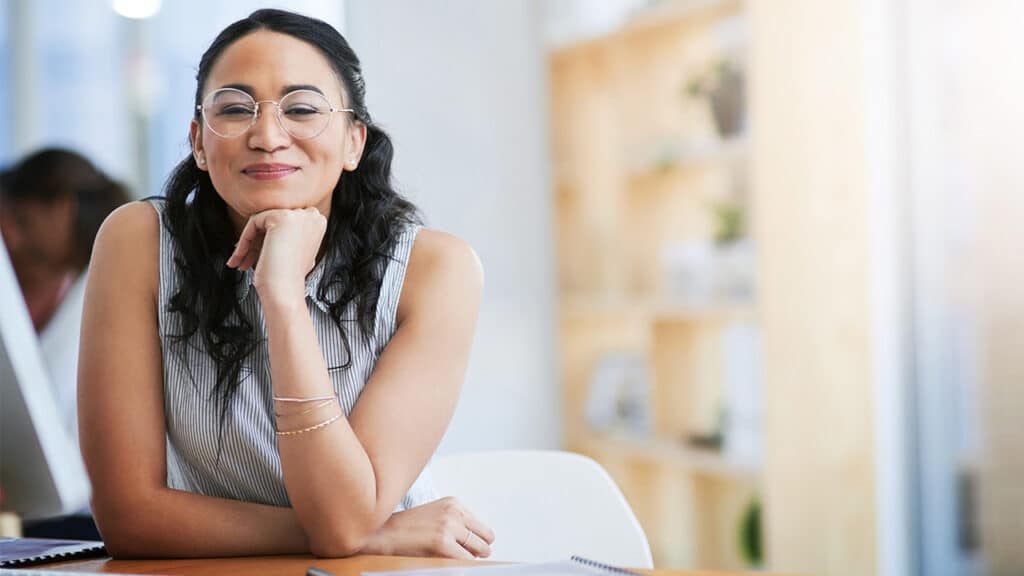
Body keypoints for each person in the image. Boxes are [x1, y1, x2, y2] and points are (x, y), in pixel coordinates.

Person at [79, 9, 494, 559]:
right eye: (234, 109)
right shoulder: (137, 243)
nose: (268, 136)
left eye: (300, 108)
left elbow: (343, 521)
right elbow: (129, 517)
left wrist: (282, 297)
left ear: (354, 142)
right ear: (199, 143)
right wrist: (371, 533)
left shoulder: (435, 269)